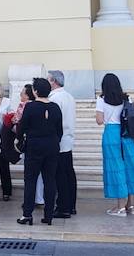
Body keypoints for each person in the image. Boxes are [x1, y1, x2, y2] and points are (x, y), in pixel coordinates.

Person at [96, 73, 134, 217]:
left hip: (111, 134)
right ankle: (130, 205)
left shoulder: (101, 99)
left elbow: (99, 120)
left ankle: (120, 207)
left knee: (116, 168)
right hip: (126, 134)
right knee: (130, 167)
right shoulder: (126, 98)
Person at [16, 77, 62, 226]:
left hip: (34, 146)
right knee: (50, 180)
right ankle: (48, 214)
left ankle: (27, 214)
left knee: (30, 181)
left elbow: (21, 128)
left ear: (35, 91)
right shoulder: (55, 107)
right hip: (52, 146)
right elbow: (59, 130)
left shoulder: (30, 107)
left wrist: (20, 139)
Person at [47, 70, 77, 217]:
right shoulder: (69, 96)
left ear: (54, 81)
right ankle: (71, 205)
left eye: (48, 80)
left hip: (59, 140)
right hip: (68, 139)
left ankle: (63, 207)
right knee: (69, 173)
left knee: (61, 176)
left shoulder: (54, 98)